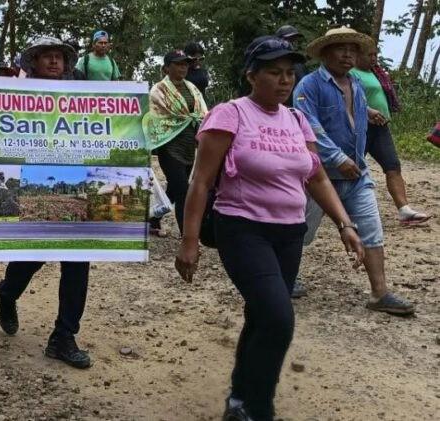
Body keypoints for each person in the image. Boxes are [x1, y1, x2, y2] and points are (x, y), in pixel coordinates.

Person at [176, 35, 366, 421]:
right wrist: (189, 240)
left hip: (289, 232)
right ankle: (259, 408)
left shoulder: (297, 119)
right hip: (243, 229)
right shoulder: (230, 114)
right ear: (251, 75)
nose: (284, 80)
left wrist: (344, 224)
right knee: (280, 318)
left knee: (261, 316)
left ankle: (239, 399)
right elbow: (200, 181)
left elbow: (317, 178)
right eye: (274, 73)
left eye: (289, 73)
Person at [293, 27, 415, 315]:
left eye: (352, 49)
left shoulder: (356, 84)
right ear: (325, 52)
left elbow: (351, 115)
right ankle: (285, 276)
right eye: (340, 48)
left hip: (356, 175)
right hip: (319, 176)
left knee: (372, 232)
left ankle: (379, 293)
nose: (348, 54)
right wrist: (335, 157)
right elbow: (308, 124)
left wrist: (368, 112)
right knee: (300, 232)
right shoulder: (309, 86)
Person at [0, 37, 96, 369]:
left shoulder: (83, 99)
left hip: (74, 184)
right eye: (47, 57)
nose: (54, 62)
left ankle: (63, 337)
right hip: (33, 183)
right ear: (34, 63)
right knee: (33, 256)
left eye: (59, 57)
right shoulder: (16, 98)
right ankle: (8, 293)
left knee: (78, 261)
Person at [351, 46, 431, 225]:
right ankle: (326, 208)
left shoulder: (376, 73)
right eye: (369, 55)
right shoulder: (351, 74)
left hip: (381, 128)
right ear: (357, 56)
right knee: (351, 169)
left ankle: (404, 210)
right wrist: (366, 114)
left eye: (375, 55)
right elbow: (348, 100)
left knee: (393, 166)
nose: (373, 58)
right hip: (360, 128)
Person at [142, 50, 208, 237]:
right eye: (178, 64)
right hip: (169, 146)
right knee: (183, 192)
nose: (183, 67)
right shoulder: (158, 91)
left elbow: (201, 112)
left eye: (185, 64)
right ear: (166, 68)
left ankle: (154, 218)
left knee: (173, 188)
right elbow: (155, 117)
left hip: (188, 145)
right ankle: (187, 234)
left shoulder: (192, 88)